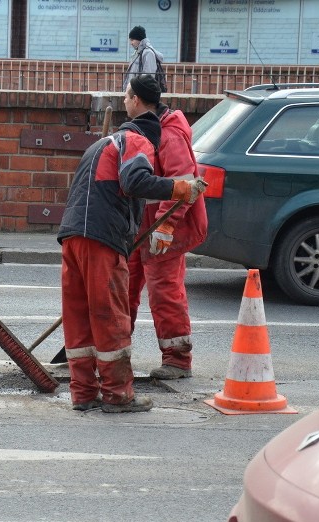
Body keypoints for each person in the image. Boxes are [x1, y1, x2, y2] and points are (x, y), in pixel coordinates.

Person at [57, 74, 207, 414]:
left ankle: (83, 392)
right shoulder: (139, 142)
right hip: (106, 236)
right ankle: (117, 394)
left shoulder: (106, 144)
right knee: (111, 314)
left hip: (75, 235)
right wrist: (178, 190)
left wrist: (166, 223)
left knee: (84, 314)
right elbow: (136, 180)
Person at [127, 80, 207, 381]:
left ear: (136, 100)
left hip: (163, 227)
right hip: (143, 226)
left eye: (126, 96)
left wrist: (167, 226)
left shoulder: (169, 135)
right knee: (123, 287)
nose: (123, 101)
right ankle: (115, 350)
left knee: (164, 292)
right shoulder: (147, 130)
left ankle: (177, 360)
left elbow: (184, 183)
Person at [123, 26, 163, 92]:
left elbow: (149, 77)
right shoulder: (138, 52)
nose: (131, 43)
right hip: (135, 91)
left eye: (132, 40)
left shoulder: (148, 53)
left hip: (140, 93)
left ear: (139, 39)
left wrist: (141, 92)